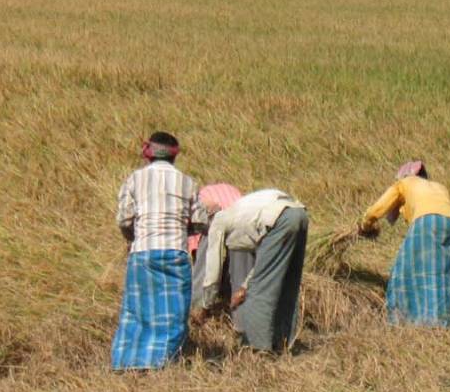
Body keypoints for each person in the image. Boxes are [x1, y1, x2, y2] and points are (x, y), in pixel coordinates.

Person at [112, 132, 207, 370]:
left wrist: (132, 239)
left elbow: (124, 219)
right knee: (172, 313)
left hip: (142, 252)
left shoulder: (134, 179)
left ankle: (127, 362)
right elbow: (201, 222)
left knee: (136, 309)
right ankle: (160, 363)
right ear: (175, 155)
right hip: (175, 252)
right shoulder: (187, 182)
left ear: (148, 154)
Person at [195, 188, 309, 353]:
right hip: (299, 213)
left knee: (258, 291)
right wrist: (243, 288)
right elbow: (265, 260)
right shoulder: (240, 214)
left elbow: (213, 269)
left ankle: (257, 350)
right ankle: (283, 345)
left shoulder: (218, 221)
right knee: (287, 284)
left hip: (278, 218)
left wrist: (205, 305)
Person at [359, 160, 450, 327]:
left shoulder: (405, 183)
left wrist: (365, 225)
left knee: (403, 270)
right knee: (440, 272)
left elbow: (378, 207)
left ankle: (402, 319)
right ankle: (439, 321)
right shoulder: (439, 187)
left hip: (426, 221)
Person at [188, 184, 254, 332]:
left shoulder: (198, 207)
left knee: (205, 263)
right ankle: (242, 321)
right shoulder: (232, 190)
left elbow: (198, 256)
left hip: (217, 219)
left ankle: (198, 311)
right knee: (240, 269)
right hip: (246, 221)